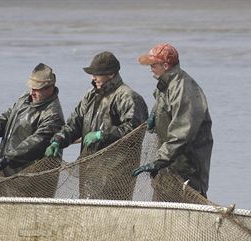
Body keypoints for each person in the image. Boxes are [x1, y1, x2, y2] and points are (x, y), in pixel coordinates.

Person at [45, 51, 148, 200]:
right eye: (92, 74)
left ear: (111, 74)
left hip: (116, 173)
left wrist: (102, 135)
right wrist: (58, 140)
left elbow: (135, 131)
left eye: (97, 74)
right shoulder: (90, 95)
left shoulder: (128, 97)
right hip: (89, 170)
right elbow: (74, 123)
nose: (93, 77)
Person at [132, 43, 213, 197]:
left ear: (166, 65)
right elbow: (163, 105)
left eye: (153, 64)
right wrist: (154, 115)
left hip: (187, 166)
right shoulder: (165, 84)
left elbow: (182, 133)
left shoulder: (184, 88)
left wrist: (159, 160)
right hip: (170, 162)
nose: (150, 68)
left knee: (186, 208)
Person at [0, 63, 65, 177]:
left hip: (30, 176)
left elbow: (37, 142)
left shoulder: (53, 115)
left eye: (36, 89)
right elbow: (9, 115)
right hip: (6, 165)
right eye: (31, 88)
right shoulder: (26, 97)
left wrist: (10, 158)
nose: (32, 92)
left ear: (49, 88)